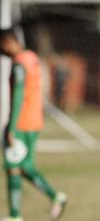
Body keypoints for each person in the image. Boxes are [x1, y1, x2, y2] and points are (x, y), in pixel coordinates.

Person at [0, 29, 67, 221]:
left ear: (7, 42)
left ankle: (15, 215)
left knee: (13, 166)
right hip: (35, 120)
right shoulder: (32, 58)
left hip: (21, 122)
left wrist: (10, 127)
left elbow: (18, 96)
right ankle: (56, 197)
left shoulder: (19, 65)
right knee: (23, 166)